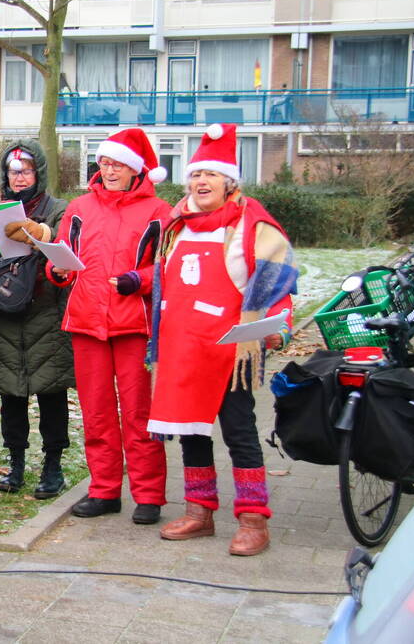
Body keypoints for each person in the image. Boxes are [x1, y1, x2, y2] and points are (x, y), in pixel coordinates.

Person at [149, 124, 298, 556]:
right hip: (182, 347)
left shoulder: (253, 223)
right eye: (196, 176)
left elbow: (278, 278)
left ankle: (253, 518)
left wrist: (273, 325)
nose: (201, 183)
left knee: (239, 431)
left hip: (231, 350)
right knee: (192, 431)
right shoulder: (177, 223)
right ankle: (199, 511)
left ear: (229, 182)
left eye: (211, 177)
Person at [47, 128, 172, 524]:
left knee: (139, 414)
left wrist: (142, 280)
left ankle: (149, 495)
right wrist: (58, 270)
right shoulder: (80, 207)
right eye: (105, 163)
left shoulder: (159, 212)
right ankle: (104, 491)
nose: (110, 170)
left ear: (135, 170)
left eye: (118, 164)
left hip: (134, 324)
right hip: (86, 322)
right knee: (96, 412)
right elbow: (63, 257)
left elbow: (168, 266)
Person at [0, 140, 75, 499]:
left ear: (38, 172)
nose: (20, 177)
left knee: (50, 393)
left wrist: (43, 236)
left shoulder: (59, 210)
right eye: (14, 171)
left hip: (47, 312)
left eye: (26, 170)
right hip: (7, 313)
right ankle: (16, 464)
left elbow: (70, 252)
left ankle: (53, 465)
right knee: (11, 395)